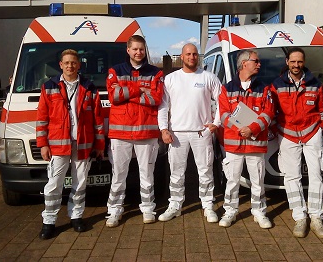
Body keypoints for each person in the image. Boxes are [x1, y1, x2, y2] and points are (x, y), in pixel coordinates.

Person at [36, 49, 105, 240]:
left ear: (79, 65)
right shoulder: (49, 86)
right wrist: (43, 144)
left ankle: (76, 217)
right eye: (66, 63)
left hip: (83, 144)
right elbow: (42, 118)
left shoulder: (89, 87)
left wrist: (99, 145)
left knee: (80, 182)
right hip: (59, 145)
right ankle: (49, 221)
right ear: (60, 65)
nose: (70, 66)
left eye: (73, 63)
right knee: (54, 184)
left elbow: (98, 119)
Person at [158, 43, 222, 223]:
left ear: (197, 57)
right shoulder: (170, 79)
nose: (192, 57)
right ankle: (175, 205)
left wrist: (215, 124)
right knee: (176, 172)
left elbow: (222, 101)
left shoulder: (209, 77)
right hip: (177, 133)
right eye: (188, 54)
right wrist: (163, 129)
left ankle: (208, 205)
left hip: (202, 133)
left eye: (194, 54)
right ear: (181, 56)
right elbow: (163, 106)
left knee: (205, 170)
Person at [270, 47, 323, 239]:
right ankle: (299, 217)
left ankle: (317, 217)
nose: (296, 65)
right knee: (292, 177)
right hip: (287, 134)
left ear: (304, 63)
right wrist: (275, 129)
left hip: (312, 132)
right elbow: (271, 112)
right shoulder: (277, 85)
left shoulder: (315, 83)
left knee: (316, 175)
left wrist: (321, 125)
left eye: (300, 62)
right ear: (287, 62)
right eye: (293, 61)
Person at [105, 35, 164, 227]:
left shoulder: (156, 73)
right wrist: (140, 88)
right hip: (120, 135)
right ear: (128, 50)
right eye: (135, 49)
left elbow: (156, 99)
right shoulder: (115, 70)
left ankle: (148, 208)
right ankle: (114, 211)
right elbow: (114, 96)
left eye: (141, 49)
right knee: (118, 175)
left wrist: (127, 92)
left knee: (147, 175)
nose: (138, 52)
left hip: (146, 133)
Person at [218, 50, 274, 228]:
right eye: (256, 61)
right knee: (232, 181)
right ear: (244, 63)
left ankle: (259, 211)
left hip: (255, 144)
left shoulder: (264, 88)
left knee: (258, 181)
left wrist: (252, 129)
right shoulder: (227, 88)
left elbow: (269, 113)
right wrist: (240, 129)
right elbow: (223, 115)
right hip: (234, 145)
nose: (259, 64)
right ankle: (230, 211)